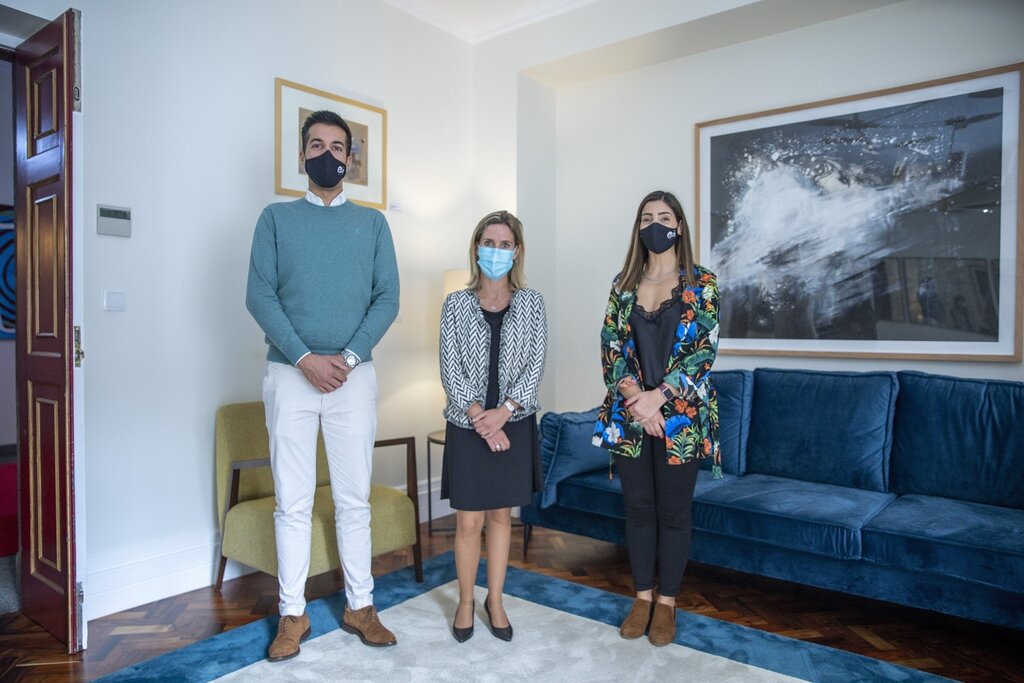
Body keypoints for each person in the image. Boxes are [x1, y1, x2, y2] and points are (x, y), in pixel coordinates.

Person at [246, 110, 400, 661]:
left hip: (354, 379)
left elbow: (388, 298)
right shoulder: (275, 219)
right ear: (301, 155)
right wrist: (306, 358)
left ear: (350, 159)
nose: (327, 155)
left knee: (353, 499)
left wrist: (348, 357)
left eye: (337, 147)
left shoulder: (373, 224)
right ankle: (293, 614)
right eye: (317, 145)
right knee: (291, 501)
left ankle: (361, 606)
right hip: (290, 375)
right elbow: (259, 295)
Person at [592, 190, 720, 647]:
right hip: (630, 418)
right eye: (647, 218)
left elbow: (702, 351)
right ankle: (642, 598)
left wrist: (658, 399)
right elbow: (610, 346)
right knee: (639, 510)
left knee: (674, 512)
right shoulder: (623, 283)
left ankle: (667, 603)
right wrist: (637, 400)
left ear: (679, 227)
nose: (655, 225)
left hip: (680, 420)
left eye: (664, 217)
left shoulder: (702, 282)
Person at [439, 210, 547, 643]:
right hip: (467, 425)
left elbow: (535, 364)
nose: (496, 251)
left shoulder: (532, 303)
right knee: (468, 521)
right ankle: (466, 601)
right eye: (489, 243)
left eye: (504, 244)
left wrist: (504, 412)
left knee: (502, 517)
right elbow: (450, 369)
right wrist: (481, 419)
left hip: (514, 423)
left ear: (516, 251)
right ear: (476, 248)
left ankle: (495, 600)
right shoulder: (455, 304)